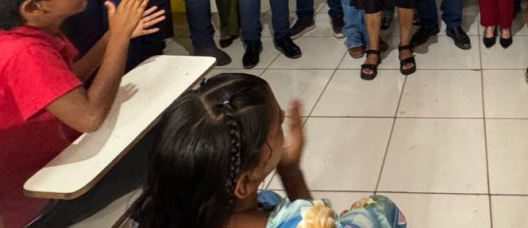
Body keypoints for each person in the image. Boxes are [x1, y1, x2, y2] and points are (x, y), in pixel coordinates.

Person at [0, 0, 163, 228]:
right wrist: (119, 40)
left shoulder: (29, 37)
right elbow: (89, 118)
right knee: (165, 144)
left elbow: (67, 82)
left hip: (34, 174)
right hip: (31, 202)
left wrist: (111, 35)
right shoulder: (25, 52)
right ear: (34, 8)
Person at [130, 73, 406, 228]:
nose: (284, 115)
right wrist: (292, 173)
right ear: (245, 183)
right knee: (378, 207)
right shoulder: (299, 223)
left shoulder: (159, 211)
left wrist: (286, 165)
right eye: (277, 125)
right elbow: (315, 219)